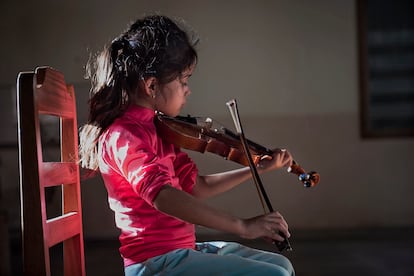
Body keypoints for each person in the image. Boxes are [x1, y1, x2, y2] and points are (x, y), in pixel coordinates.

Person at [79, 15, 295, 276]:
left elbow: (196, 186)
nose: (188, 90)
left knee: (281, 265)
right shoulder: (125, 134)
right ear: (151, 85)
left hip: (181, 250)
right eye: (183, 81)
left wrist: (257, 168)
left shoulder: (159, 129)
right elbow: (164, 196)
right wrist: (243, 226)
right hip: (155, 262)